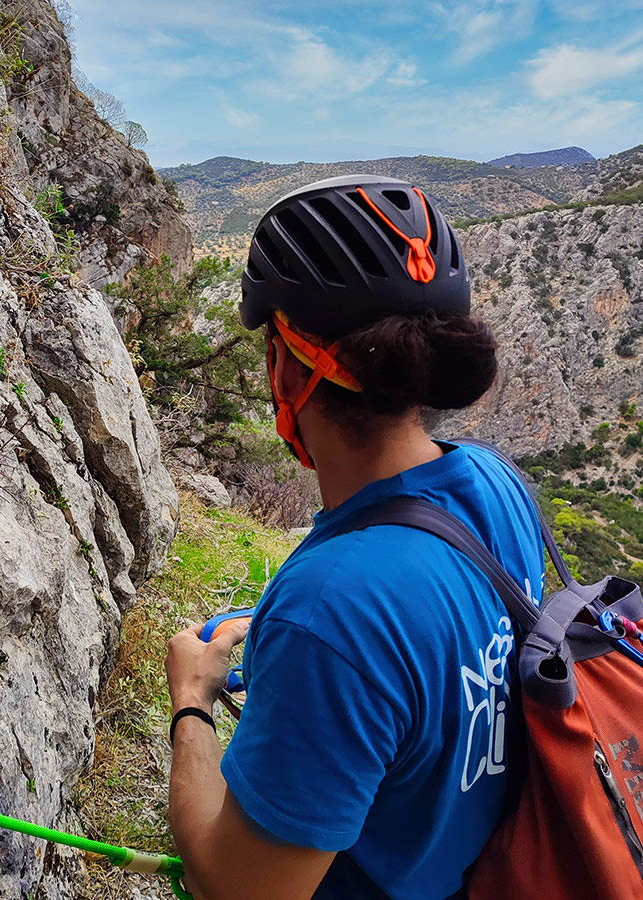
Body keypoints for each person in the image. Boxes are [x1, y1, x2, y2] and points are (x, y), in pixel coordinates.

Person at [165, 175, 544, 900]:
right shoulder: (496, 482)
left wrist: (192, 699)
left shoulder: (331, 612)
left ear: (285, 366)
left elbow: (240, 886)